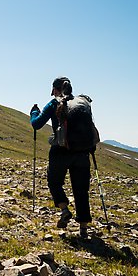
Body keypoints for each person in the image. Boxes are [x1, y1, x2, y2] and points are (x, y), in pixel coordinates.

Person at [30, 76, 92, 239]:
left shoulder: (54, 103)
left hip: (60, 150)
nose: (52, 93)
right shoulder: (82, 103)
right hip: (82, 152)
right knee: (81, 189)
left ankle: (65, 210)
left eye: (53, 90)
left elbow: (36, 124)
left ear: (56, 90)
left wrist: (34, 113)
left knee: (54, 182)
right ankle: (83, 230)